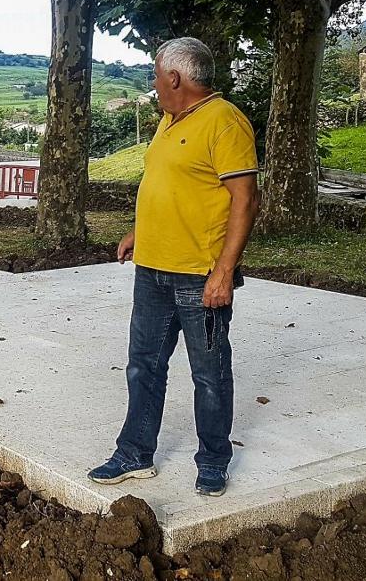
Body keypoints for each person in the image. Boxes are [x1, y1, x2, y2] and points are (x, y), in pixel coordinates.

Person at [88, 37, 260, 497]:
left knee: (209, 372)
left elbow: (245, 200)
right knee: (143, 365)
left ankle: (213, 460)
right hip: (152, 270)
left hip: (198, 275)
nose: (153, 84)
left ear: (175, 78)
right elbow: (168, 184)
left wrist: (224, 271)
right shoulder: (169, 120)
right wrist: (139, 232)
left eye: (156, 75)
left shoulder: (225, 122)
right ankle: (134, 453)